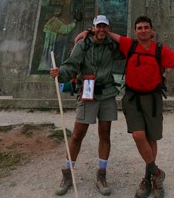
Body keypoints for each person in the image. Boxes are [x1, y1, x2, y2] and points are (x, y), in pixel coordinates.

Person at [76, 15, 174, 198]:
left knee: (151, 139)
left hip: (153, 98)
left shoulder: (160, 50)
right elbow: (107, 33)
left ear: (151, 31)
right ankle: (157, 172)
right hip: (132, 97)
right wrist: (88, 31)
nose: (143, 30)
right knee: (138, 135)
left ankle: (149, 179)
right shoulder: (129, 44)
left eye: (146, 27)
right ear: (135, 31)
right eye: (139, 28)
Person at [50, 15, 123, 196]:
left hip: (107, 93)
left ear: (108, 28)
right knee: (77, 134)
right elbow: (72, 65)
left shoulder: (111, 44)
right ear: (92, 27)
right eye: (98, 26)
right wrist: (60, 73)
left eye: (105, 27)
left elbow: (128, 48)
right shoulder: (83, 44)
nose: (101, 30)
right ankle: (67, 174)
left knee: (105, 134)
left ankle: (101, 174)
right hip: (87, 92)